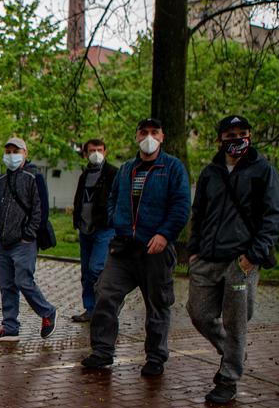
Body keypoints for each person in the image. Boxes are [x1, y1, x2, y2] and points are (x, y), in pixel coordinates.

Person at [82, 118, 190, 376]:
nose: (149, 137)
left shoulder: (173, 168)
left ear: (162, 137)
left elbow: (181, 205)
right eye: (144, 132)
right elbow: (112, 198)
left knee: (157, 304)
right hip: (123, 250)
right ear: (137, 136)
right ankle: (102, 351)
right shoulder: (127, 168)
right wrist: (115, 220)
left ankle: (155, 357)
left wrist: (164, 234)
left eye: (154, 132)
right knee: (105, 295)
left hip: (155, 251)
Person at [187, 115, 279, 404]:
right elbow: (199, 212)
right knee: (198, 313)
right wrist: (193, 250)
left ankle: (228, 379)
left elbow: (273, 215)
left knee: (236, 322)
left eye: (243, 133)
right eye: (230, 134)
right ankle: (233, 353)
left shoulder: (262, 170)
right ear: (220, 140)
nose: (237, 139)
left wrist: (253, 256)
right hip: (207, 257)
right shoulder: (210, 172)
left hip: (241, 260)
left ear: (251, 136)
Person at [0, 137, 58, 343]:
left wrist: (29, 234)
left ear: (25, 153)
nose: (11, 155)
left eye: (15, 151)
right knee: (6, 285)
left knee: (23, 281)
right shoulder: (0, 180)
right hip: (3, 242)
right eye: (7, 151)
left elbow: (40, 210)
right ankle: (9, 327)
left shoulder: (34, 177)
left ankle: (47, 312)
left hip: (23, 242)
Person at [71, 139, 118, 323]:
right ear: (85, 154)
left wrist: (113, 221)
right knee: (86, 272)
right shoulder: (84, 175)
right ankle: (90, 309)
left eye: (99, 150)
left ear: (105, 151)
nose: (96, 153)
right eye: (92, 150)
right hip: (85, 229)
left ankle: (107, 306)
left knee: (96, 268)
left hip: (104, 229)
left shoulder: (113, 173)